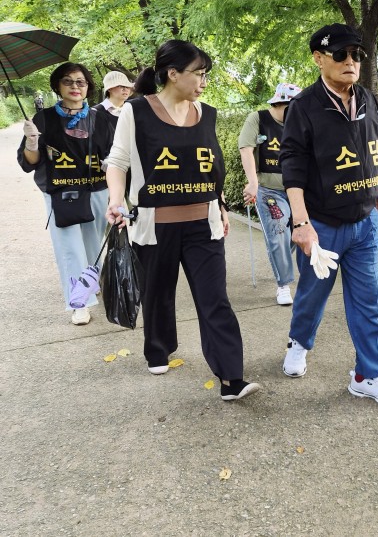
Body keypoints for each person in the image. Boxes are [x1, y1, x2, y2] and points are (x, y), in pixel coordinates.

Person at [103, 39, 260, 401]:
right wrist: (116, 200)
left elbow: (212, 167)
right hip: (154, 225)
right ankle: (158, 349)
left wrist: (221, 205)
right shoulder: (135, 112)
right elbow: (118, 161)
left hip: (204, 224)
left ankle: (231, 377)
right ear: (173, 74)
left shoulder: (208, 113)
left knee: (215, 299)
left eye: (206, 74)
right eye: (198, 73)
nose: (203, 81)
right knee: (157, 293)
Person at [278, 23, 378, 408]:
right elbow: (293, 167)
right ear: (319, 58)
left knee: (369, 303)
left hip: (364, 223)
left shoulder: (368, 99)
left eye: (356, 55)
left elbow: (376, 150)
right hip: (322, 225)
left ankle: (368, 375)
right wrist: (301, 223)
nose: (350, 61)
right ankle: (299, 342)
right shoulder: (304, 107)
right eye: (341, 54)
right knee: (312, 294)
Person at [17, 63, 113, 325]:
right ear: (57, 86)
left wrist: (111, 167)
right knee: (70, 248)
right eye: (68, 81)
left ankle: (90, 285)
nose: (75, 87)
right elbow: (30, 162)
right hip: (61, 192)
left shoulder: (101, 118)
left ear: (88, 87)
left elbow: (114, 153)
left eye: (80, 82)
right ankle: (79, 302)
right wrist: (32, 142)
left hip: (96, 190)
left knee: (93, 246)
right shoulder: (43, 119)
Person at [238, 82, 303, 305]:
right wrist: (252, 182)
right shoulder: (258, 119)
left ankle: (279, 256)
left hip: (298, 190)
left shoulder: (300, 124)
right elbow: (246, 150)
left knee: (296, 233)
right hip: (268, 190)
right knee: (278, 230)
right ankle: (283, 284)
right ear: (280, 104)